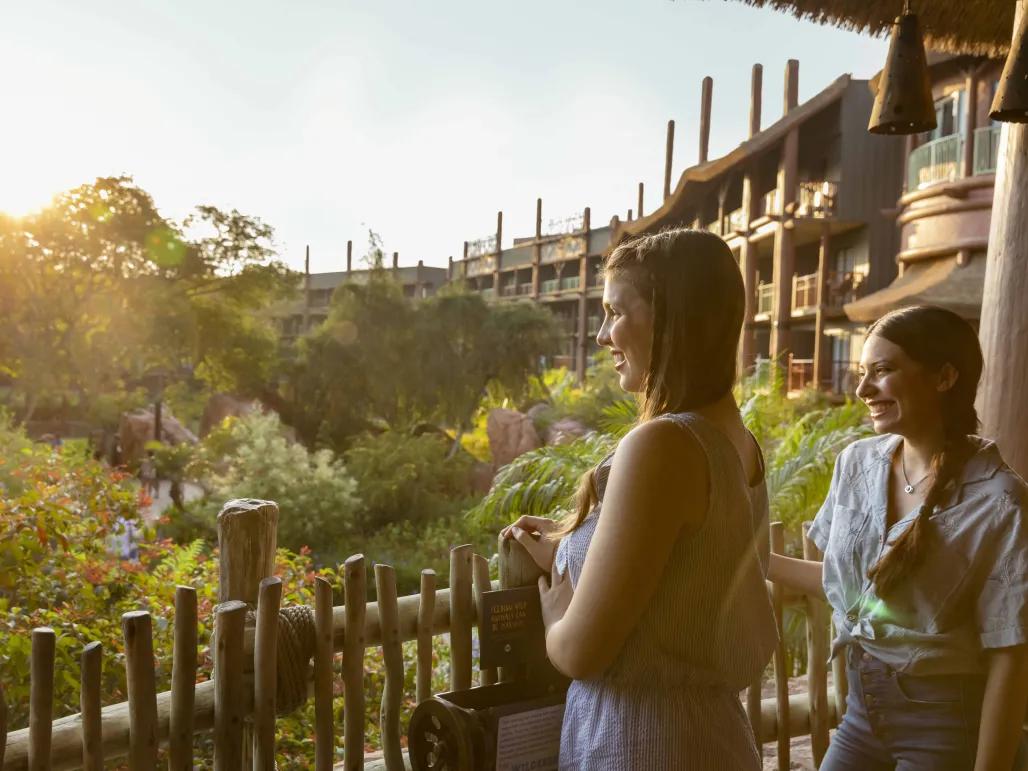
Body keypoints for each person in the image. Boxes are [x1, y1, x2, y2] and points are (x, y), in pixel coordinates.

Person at [501, 228, 776, 769]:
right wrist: (565, 549)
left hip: (642, 744)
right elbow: (677, 584)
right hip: (709, 738)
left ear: (673, 318)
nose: (602, 335)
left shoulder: (664, 445)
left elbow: (580, 651)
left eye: (615, 312)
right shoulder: (737, 441)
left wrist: (558, 614)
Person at [769, 305, 1028, 770]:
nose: (863, 389)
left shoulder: (1001, 502)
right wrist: (747, 557)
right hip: (860, 712)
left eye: (883, 371)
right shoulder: (857, 463)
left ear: (944, 377)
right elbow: (850, 587)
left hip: (946, 725)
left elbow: (1010, 654)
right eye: (863, 372)